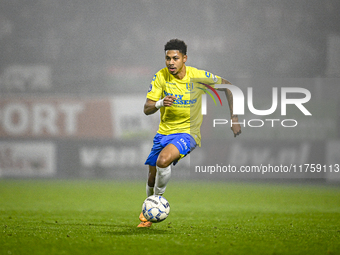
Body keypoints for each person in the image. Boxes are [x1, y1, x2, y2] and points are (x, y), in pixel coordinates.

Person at [137, 39, 241, 227]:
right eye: (167, 58)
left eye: (175, 58)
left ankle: (156, 202)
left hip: (188, 133)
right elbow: (147, 108)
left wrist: (234, 117)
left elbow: (228, 86)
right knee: (151, 176)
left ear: (184, 58)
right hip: (163, 134)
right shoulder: (160, 77)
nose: (170, 62)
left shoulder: (197, 76)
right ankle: (148, 213)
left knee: (163, 161)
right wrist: (160, 103)